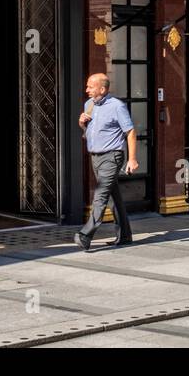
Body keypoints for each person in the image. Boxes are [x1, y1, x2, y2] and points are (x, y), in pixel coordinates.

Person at [74, 73, 137, 251]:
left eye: (90, 87)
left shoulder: (117, 106)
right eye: (87, 86)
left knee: (100, 195)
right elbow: (88, 132)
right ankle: (125, 235)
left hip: (112, 156)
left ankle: (85, 235)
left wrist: (132, 159)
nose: (86, 90)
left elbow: (130, 132)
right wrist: (81, 123)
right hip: (95, 156)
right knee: (112, 196)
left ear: (102, 89)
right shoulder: (89, 104)